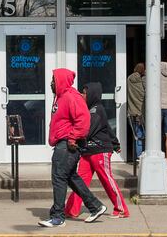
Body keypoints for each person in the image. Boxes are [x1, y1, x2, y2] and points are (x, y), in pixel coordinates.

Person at [38, 68, 107, 228]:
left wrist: (73, 138)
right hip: (62, 143)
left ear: (61, 80)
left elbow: (83, 119)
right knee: (69, 177)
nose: (51, 83)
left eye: (54, 80)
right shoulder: (60, 97)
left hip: (67, 144)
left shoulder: (71, 96)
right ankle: (96, 207)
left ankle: (57, 217)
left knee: (58, 177)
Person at [64, 82, 130, 219]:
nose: (82, 95)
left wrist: (73, 138)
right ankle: (71, 210)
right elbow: (107, 128)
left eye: (84, 93)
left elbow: (87, 130)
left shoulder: (96, 110)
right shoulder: (89, 109)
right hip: (88, 152)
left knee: (107, 180)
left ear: (92, 94)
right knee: (79, 182)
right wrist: (116, 143)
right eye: (82, 92)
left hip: (100, 151)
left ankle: (121, 209)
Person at [127, 63, 146, 159]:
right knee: (146, 135)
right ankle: (145, 156)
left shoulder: (129, 79)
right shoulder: (144, 80)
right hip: (142, 113)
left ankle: (138, 157)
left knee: (137, 135)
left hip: (132, 112)